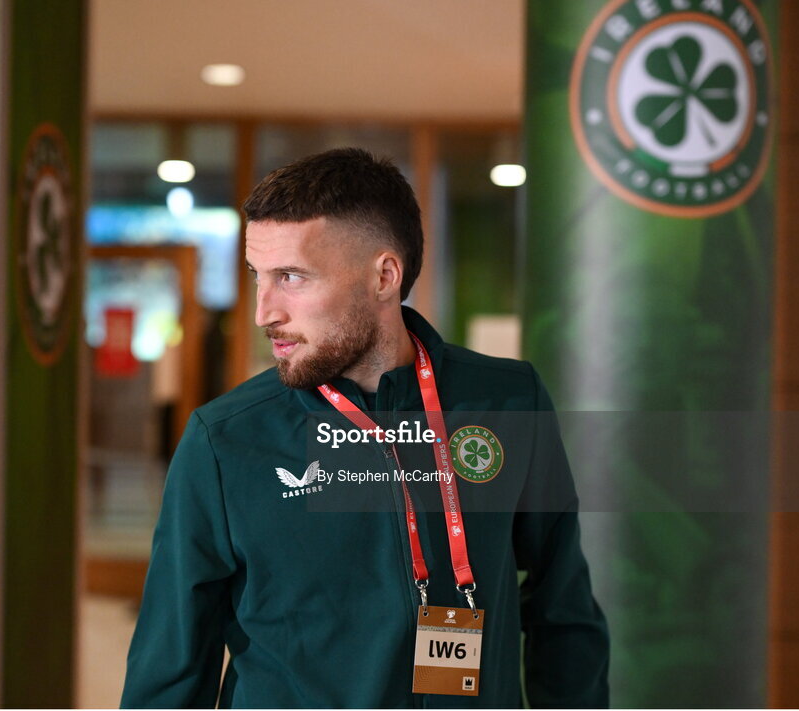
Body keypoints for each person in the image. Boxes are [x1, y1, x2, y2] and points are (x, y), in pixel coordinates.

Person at [120, 147, 609, 708]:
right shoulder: (225, 439)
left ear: (384, 276)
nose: (264, 311)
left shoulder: (507, 401)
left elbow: (563, 611)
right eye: (259, 276)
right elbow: (170, 666)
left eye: (292, 277)